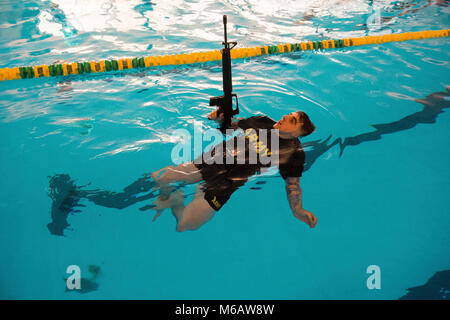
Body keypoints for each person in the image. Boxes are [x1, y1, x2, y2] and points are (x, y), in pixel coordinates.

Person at [150, 109, 318, 232]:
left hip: (226, 183)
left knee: (184, 225)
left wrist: (297, 209)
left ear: (297, 134)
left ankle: (178, 200)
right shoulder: (262, 121)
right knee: (159, 177)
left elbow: (293, 184)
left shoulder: (294, 154)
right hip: (211, 160)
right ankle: (169, 197)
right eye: (289, 115)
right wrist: (219, 119)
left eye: (292, 120)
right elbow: (230, 126)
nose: (285, 117)